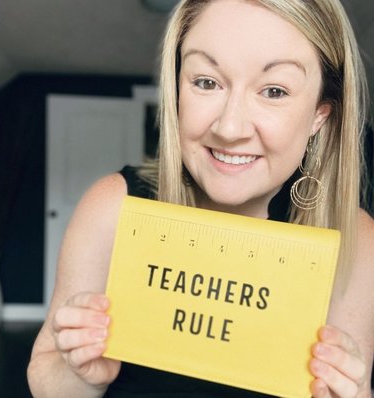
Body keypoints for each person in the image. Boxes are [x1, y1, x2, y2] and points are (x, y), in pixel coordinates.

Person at [27, 0, 374, 397]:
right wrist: (78, 374)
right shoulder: (113, 208)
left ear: (319, 114)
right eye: (207, 82)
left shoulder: (356, 241)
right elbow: (46, 380)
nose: (229, 127)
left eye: (274, 91)